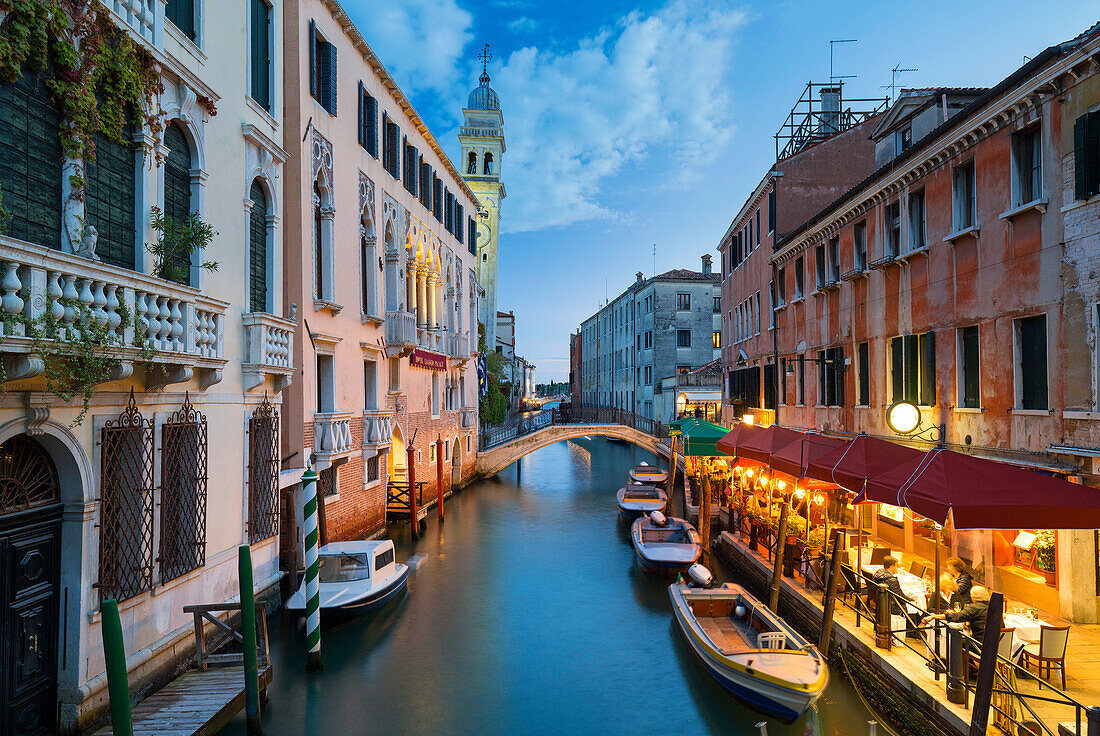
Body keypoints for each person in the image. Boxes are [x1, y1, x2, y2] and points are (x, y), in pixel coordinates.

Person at [922, 586, 995, 645]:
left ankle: (954, 663)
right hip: (993, 645)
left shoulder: (974, 608)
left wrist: (933, 616)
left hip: (978, 644)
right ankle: (967, 662)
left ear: (973, 597)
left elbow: (955, 617)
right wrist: (969, 621)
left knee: (954, 643)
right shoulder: (994, 608)